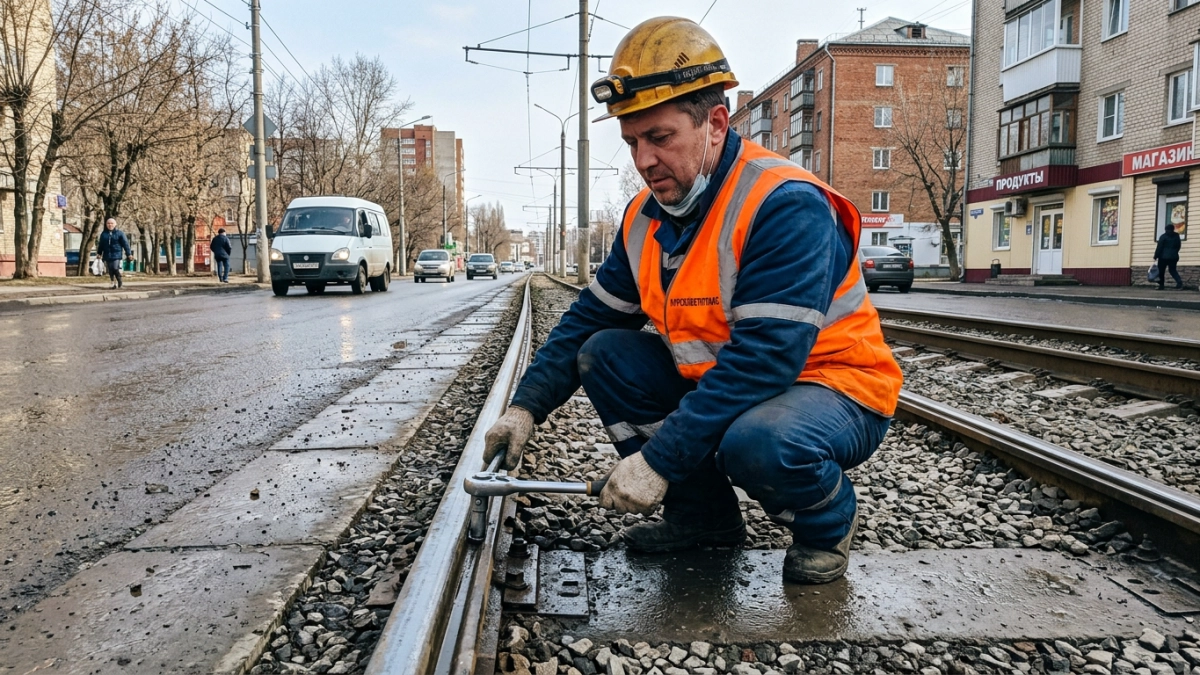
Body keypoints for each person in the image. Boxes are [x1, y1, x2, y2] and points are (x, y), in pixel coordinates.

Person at [483, 16, 902, 585]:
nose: (643, 160)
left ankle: (826, 521)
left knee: (757, 442)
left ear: (715, 123)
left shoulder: (784, 203)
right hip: (736, 385)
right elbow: (588, 320)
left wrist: (655, 463)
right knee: (606, 352)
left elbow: (764, 361)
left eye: (660, 138)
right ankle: (703, 519)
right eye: (632, 141)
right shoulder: (645, 217)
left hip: (834, 387)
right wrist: (525, 406)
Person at [96, 218, 132, 289]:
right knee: (110, 269)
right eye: (108, 223)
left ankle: (120, 282)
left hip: (116, 253)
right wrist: (99, 253)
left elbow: (125, 244)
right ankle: (112, 283)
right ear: (106, 225)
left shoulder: (120, 233)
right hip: (107, 254)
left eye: (112, 223)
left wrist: (129, 254)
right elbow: (101, 245)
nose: (110, 225)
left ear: (115, 224)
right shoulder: (104, 234)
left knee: (115, 268)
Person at [1154, 223, 1183, 290]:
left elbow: (1159, 247)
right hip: (1174, 256)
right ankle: (1179, 283)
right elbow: (1178, 246)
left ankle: (1161, 285)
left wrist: (1156, 256)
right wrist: (1175, 252)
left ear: (1166, 229)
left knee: (1161, 271)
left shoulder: (1163, 236)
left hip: (1163, 257)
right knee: (1172, 270)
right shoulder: (1176, 236)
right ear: (1173, 229)